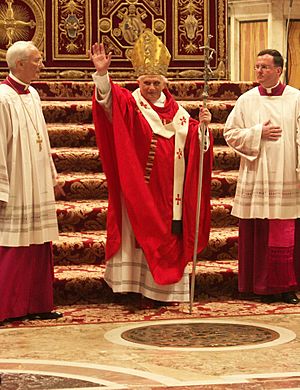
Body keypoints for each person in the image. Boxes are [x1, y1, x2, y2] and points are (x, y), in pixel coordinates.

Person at [89, 30, 213, 304]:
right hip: (139, 187)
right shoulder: (130, 103)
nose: (151, 88)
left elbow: (196, 141)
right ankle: (131, 288)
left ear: (164, 83)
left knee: (168, 235)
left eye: (156, 82)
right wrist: (102, 75)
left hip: (171, 192)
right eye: (147, 82)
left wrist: (203, 128)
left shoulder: (178, 112)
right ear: (139, 81)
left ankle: (162, 291)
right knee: (137, 236)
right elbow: (108, 102)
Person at [224, 49, 300, 304]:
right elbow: (231, 133)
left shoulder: (295, 98)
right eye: (257, 66)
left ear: (278, 70)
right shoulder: (246, 100)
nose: (259, 71)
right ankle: (259, 285)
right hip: (257, 174)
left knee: (285, 230)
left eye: (265, 67)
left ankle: (286, 286)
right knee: (258, 228)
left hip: (287, 172)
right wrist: (258, 133)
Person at [0, 41, 63, 323]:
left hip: (35, 177)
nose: (41, 65)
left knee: (39, 241)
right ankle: (7, 308)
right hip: (15, 180)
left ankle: (38, 303)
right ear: (20, 64)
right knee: (13, 245)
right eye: (37, 60)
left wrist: (51, 176)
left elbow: (42, 138)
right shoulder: (2, 98)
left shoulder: (33, 94)